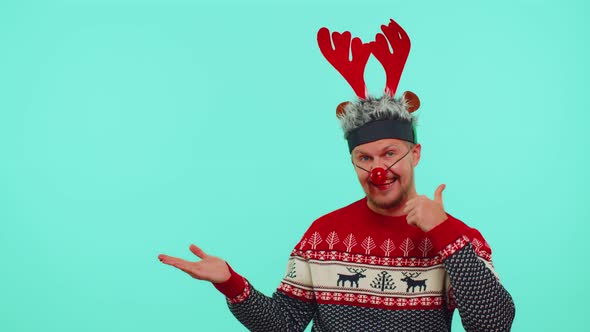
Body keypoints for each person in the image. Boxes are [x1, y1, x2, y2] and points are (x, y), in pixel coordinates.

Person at [158, 19, 515, 331]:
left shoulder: (457, 238)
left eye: (390, 153)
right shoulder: (322, 236)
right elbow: (284, 324)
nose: (378, 169)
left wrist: (444, 233)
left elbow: (494, 325)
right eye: (365, 157)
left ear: (415, 154)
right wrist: (231, 283)